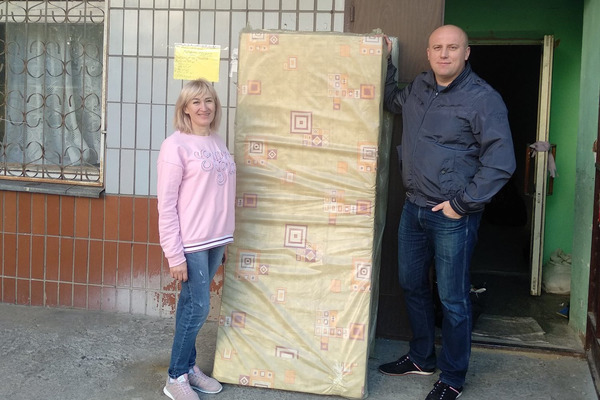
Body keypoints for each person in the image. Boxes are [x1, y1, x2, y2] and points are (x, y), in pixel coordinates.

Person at [378, 25, 516, 400]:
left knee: (453, 299)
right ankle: (422, 357)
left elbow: (501, 162)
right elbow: (390, 100)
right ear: (428, 53)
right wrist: (385, 60)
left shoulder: (483, 98)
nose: (444, 54)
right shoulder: (419, 88)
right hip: (414, 207)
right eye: (437, 47)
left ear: (466, 53)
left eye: (452, 47)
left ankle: (452, 377)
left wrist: (462, 204)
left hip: (452, 215)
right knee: (411, 284)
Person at [157, 79, 236, 400]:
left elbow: (217, 194)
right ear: (185, 109)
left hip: (216, 239)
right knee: (199, 307)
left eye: (209, 101)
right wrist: (174, 254)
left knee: (190, 304)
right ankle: (175, 375)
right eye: (196, 102)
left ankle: (188, 367)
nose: (204, 107)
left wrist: (223, 240)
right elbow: (166, 204)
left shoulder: (217, 141)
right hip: (191, 242)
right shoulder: (175, 146)